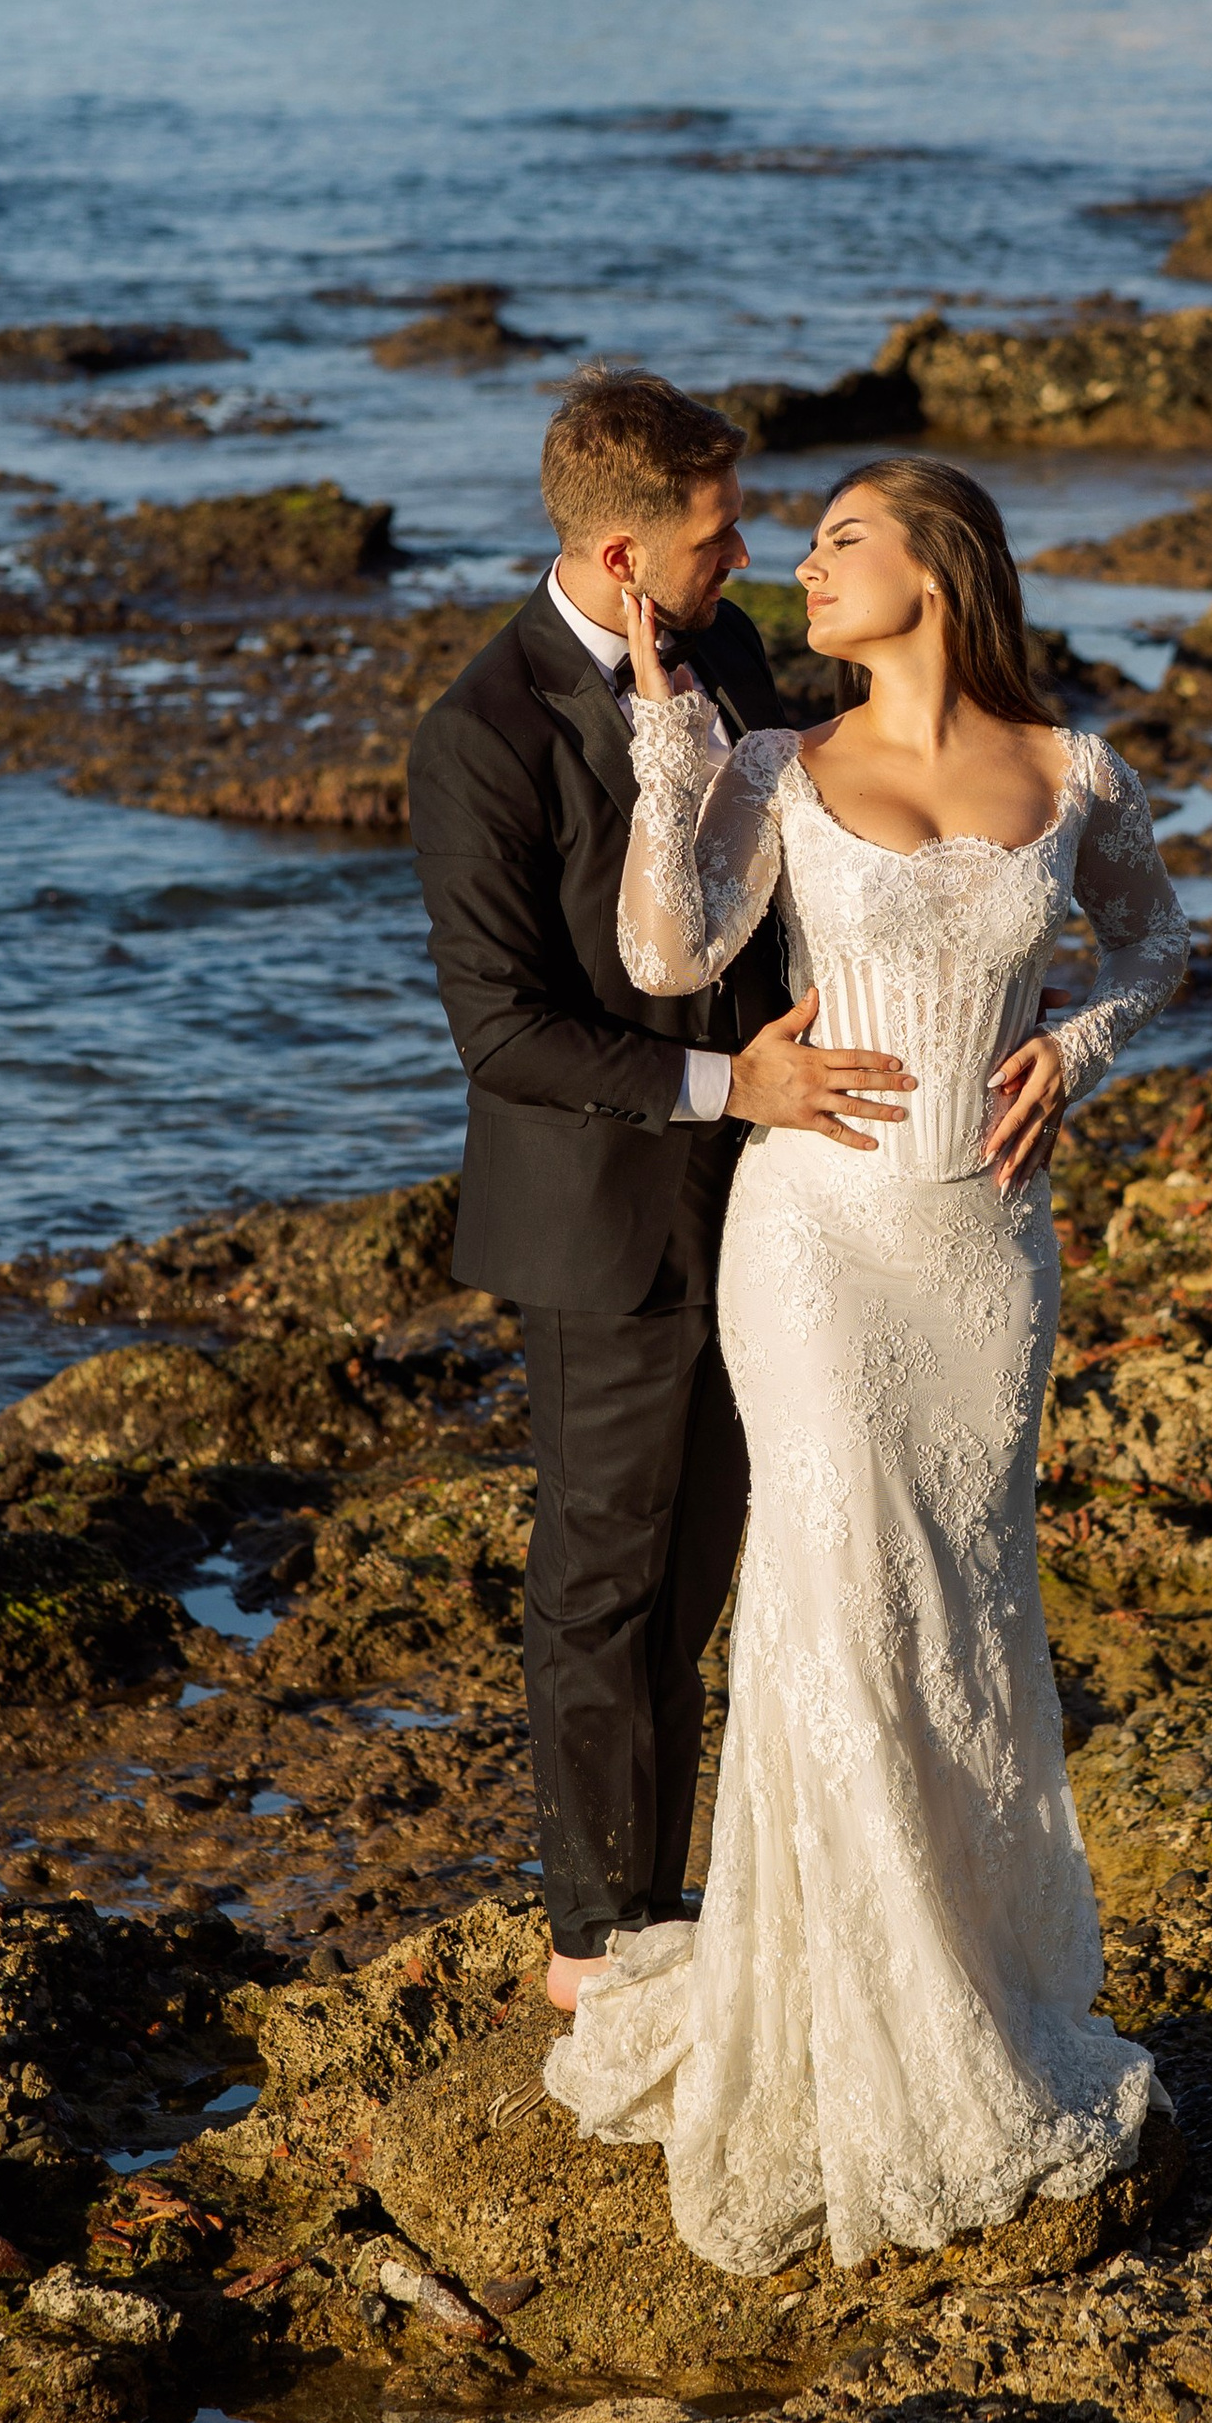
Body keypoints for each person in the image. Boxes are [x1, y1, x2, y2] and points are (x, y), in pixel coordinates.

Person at [543, 452, 1190, 2274]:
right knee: (831, 1599)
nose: (798, 575)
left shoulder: (1073, 772)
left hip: (981, 1255)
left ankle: (969, 1992)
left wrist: (1081, 1047)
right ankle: (839, 2018)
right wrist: (672, 754)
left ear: (942, 569)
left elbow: (1163, 944)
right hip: (815, 1237)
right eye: (802, 546)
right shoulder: (774, 761)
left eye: (839, 544)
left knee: (965, 1611)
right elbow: (666, 948)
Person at [407, 369, 918, 2023]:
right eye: (717, 531)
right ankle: (588, 1937)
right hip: (606, 1225)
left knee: (701, 1572)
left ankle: (658, 1893)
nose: (748, 552)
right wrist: (727, 1086)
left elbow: (778, 895)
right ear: (623, 554)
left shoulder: (730, 657)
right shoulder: (481, 735)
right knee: (605, 1574)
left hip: (771, 1199)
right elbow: (503, 1033)